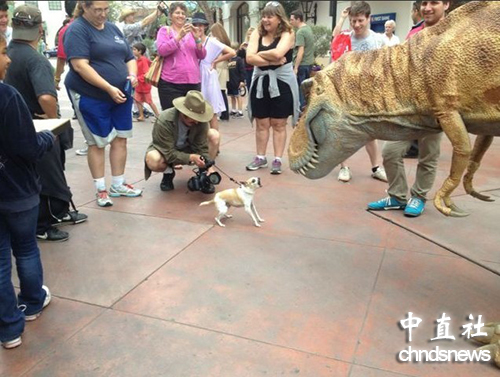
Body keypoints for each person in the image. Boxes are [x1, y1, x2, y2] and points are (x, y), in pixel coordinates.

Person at [5, 5, 88, 242]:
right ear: (40, 30)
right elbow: (46, 96)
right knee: (49, 176)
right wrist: (52, 121)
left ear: (14, 25)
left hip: (15, 128)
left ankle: (56, 214)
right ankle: (44, 222)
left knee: (32, 175)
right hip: (38, 126)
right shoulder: (35, 59)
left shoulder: (8, 53)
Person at [367, 0, 450, 217]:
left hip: (437, 108)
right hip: (409, 107)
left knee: (428, 155)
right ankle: (397, 196)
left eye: (435, 2)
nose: (428, 7)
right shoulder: (414, 32)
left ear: (447, 4)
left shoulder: (454, 34)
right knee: (390, 151)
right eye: (425, 3)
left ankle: (419, 197)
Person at [0, 32, 54, 350]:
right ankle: (32, 302)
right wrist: (49, 137)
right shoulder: (7, 97)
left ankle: (8, 328)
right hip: (17, 190)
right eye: (2, 52)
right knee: (26, 247)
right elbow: (28, 147)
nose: (8, 59)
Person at [64, 1, 142, 208]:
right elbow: (80, 66)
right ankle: (101, 189)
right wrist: (107, 87)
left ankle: (118, 184)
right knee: (97, 142)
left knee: (120, 138)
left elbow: (129, 57)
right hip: (91, 94)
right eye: (97, 10)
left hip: (121, 92)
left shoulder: (113, 28)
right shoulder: (77, 30)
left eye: (106, 9)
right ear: (84, 7)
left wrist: (132, 74)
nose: (102, 14)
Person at [332, 1, 387, 183]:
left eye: (360, 21)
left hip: (370, 94)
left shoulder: (379, 40)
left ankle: (376, 167)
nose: (356, 25)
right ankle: (344, 167)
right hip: (347, 93)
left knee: (370, 133)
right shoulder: (345, 38)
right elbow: (335, 49)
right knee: (344, 131)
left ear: (368, 18)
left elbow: (386, 67)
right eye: (353, 21)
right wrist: (341, 18)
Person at [246, 1, 299, 175]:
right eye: (264, 16)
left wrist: (260, 55)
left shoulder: (288, 32)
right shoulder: (256, 33)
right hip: (261, 82)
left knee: (278, 123)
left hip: (282, 83)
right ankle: (260, 157)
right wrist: (272, 60)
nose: (265, 20)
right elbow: (249, 58)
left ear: (279, 18)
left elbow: (278, 53)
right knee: (261, 122)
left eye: (270, 16)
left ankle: (277, 159)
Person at [144, 90, 219, 193]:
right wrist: (191, 157)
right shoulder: (165, 119)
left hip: (189, 146)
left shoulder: (201, 120)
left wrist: (207, 164)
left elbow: (201, 146)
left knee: (214, 135)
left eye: (198, 118)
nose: (197, 121)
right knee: (153, 159)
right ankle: (168, 172)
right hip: (167, 148)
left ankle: (204, 173)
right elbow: (169, 153)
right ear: (183, 113)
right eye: (193, 119)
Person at [156, 2, 206, 111]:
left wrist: (198, 39)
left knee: (193, 118)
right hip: (171, 83)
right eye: (177, 13)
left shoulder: (191, 32)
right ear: (170, 15)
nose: (181, 15)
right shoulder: (164, 31)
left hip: (193, 82)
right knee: (172, 117)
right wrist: (178, 37)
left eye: (183, 13)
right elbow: (162, 50)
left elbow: (202, 55)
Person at [196, 17, 235, 132]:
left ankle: (215, 144)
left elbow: (232, 52)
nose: (198, 27)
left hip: (208, 76)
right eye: (195, 24)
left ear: (205, 27)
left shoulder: (212, 41)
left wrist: (215, 61)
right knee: (197, 111)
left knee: (211, 111)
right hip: (196, 75)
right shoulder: (191, 41)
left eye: (201, 25)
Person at [290, 9, 314, 110]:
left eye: (292, 19)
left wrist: (295, 67)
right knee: (307, 90)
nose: (290, 21)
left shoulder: (300, 32)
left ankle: (301, 111)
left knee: (300, 89)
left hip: (302, 64)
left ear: (298, 19)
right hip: (309, 64)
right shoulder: (308, 29)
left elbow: (301, 50)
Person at [132, 42, 160, 121]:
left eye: (134, 49)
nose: (133, 51)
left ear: (140, 51)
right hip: (139, 85)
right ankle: (141, 116)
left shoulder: (143, 60)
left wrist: (137, 79)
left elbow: (145, 73)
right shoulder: (137, 60)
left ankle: (158, 115)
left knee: (149, 101)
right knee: (138, 100)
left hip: (144, 85)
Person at [228, 41, 246, 118]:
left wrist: (242, 80)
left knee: (238, 96)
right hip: (230, 81)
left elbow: (242, 70)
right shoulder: (228, 59)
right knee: (232, 96)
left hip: (237, 81)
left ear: (236, 50)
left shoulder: (239, 60)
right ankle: (233, 109)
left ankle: (240, 111)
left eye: (234, 49)